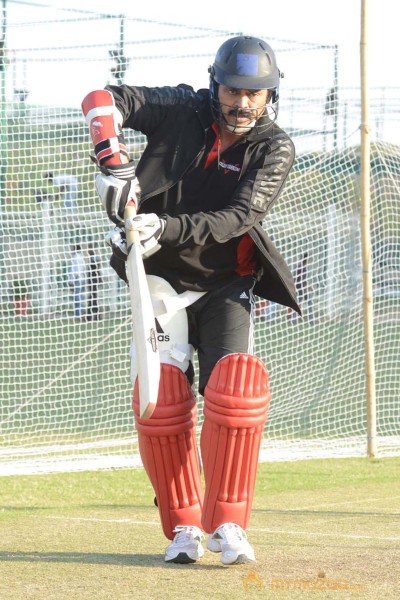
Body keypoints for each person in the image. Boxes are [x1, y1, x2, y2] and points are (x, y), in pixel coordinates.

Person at [82, 35, 300, 565]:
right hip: (157, 280)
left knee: (235, 390)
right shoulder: (181, 106)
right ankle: (183, 528)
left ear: (271, 95)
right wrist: (111, 157)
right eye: (233, 90)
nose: (243, 103)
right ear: (214, 84)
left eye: (256, 93)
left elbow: (239, 220)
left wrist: (166, 227)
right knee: (166, 401)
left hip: (226, 282)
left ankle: (227, 523)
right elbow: (101, 99)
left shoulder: (274, 147)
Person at [68, 244, 86, 318]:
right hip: (81, 278)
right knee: (79, 296)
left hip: (77, 279)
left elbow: (73, 270)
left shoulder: (75, 258)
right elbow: (83, 268)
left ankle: (78, 313)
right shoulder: (81, 257)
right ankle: (81, 311)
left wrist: (71, 281)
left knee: (77, 296)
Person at [86, 248, 102, 320]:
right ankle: (93, 316)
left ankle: (92, 316)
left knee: (93, 298)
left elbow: (97, 270)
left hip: (93, 281)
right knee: (93, 297)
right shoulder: (93, 260)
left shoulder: (93, 261)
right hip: (93, 281)